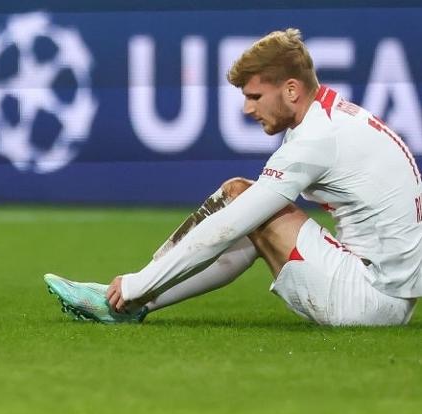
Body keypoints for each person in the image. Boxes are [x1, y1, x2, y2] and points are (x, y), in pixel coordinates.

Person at [45, 28, 421, 326]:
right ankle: (133, 303)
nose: (246, 108)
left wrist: (137, 283)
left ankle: (130, 297)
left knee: (240, 201)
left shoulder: (317, 139)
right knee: (241, 199)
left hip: (369, 302)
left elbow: (226, 228)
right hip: (387, 293)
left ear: (291, 89)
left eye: (255, 96)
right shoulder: (332, 118)